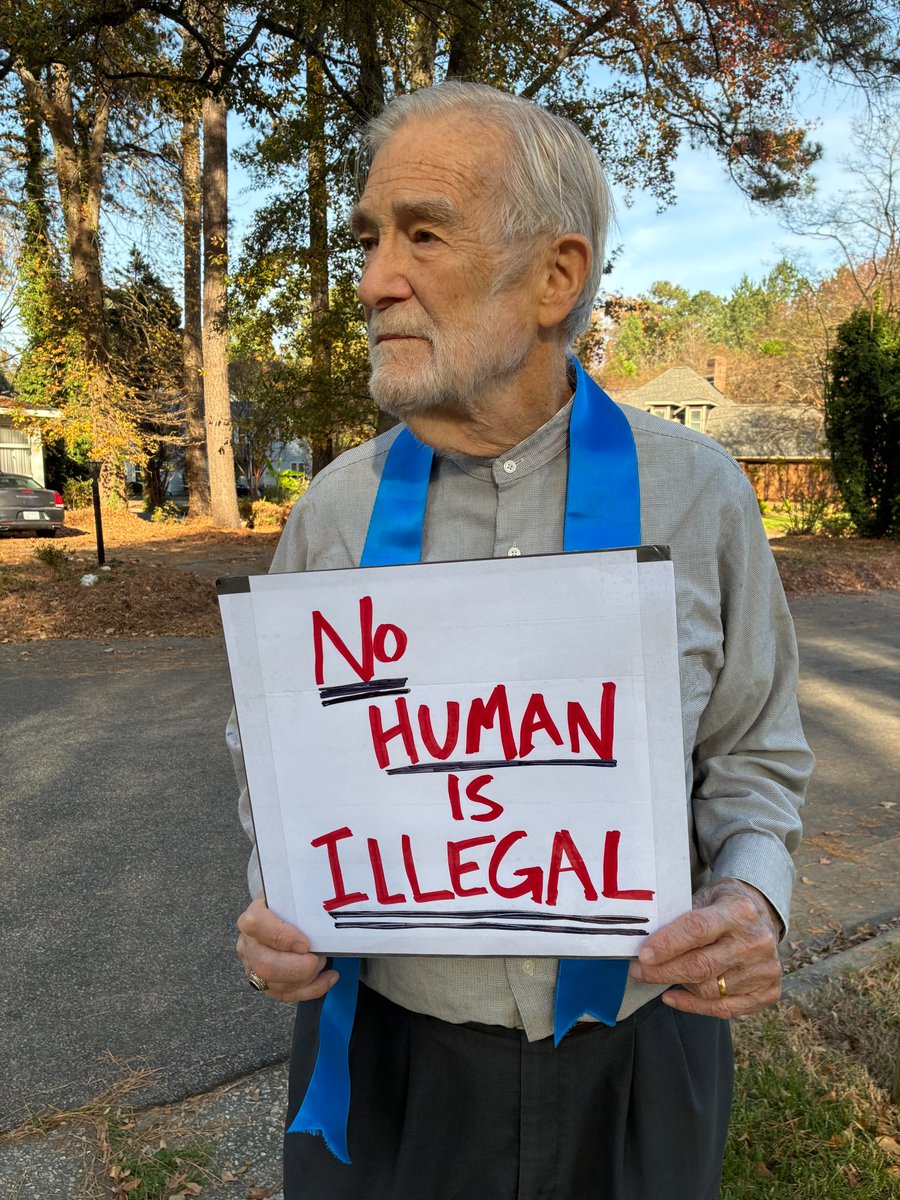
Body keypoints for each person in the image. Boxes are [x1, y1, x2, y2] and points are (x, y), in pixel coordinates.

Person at [230, 81, 812, 1200]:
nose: (372, 280)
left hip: (640, 1058)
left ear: (557, 277)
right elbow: (277, 772)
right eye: (368, 239)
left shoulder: (697, 496)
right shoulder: (333, 517)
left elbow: (755, 752)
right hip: (389, 1060)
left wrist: (754, 899)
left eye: (422, 234)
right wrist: (277, 897)